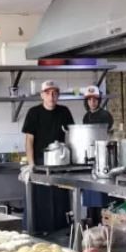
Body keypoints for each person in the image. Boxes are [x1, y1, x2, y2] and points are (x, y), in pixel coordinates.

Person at [21, 80, 75, 233]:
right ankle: (37, 231)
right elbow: (29, 140)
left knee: (59, 199)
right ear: (42, 95)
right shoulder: (34, 113)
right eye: (48, 93)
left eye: (55, 93)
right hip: (39, 163)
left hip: (60, 164)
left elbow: (70, 136)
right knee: (40, 199)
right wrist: (31, 165)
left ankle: (60, 230)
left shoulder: (64, 111)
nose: (52, 96)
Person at [80, 85, 114, 225]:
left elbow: (108, 134)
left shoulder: (105, 115)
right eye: (89, 100)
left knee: (101, 193)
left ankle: (103, 222)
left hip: (104, 157)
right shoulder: (86, 116)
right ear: (86, 102)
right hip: (90, 158)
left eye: (95, 100)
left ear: (99, 101)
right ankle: (91, 221)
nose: (92, 102)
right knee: (90, 190)